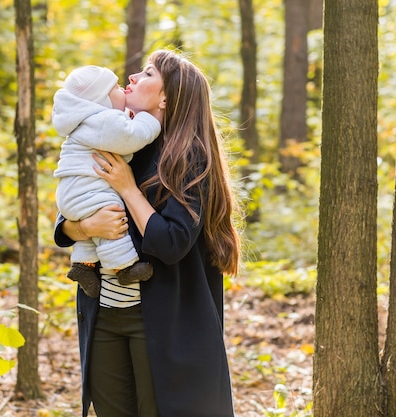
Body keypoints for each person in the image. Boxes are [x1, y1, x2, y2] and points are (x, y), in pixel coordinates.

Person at [54, 49, 241, 417]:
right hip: (104, 312)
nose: (134, 77)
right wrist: (85, 227)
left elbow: (171, 243)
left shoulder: (188, 159)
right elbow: (68, 217)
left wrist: (128, 189)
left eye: (148, 74)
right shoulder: (115, 138)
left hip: (158, 321)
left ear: (166, 97)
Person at [53, 65, 161, 298]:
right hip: (86, 192)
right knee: (112, 212)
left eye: (148, 74)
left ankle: (83, 265)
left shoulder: (87, 121)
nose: (125, 86)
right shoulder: (104, 120)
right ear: (102, 99)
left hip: (73, 194)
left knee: (96, 215)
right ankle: (124, 267)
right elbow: (132, 136)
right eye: (116, 88)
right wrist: (149, 120)